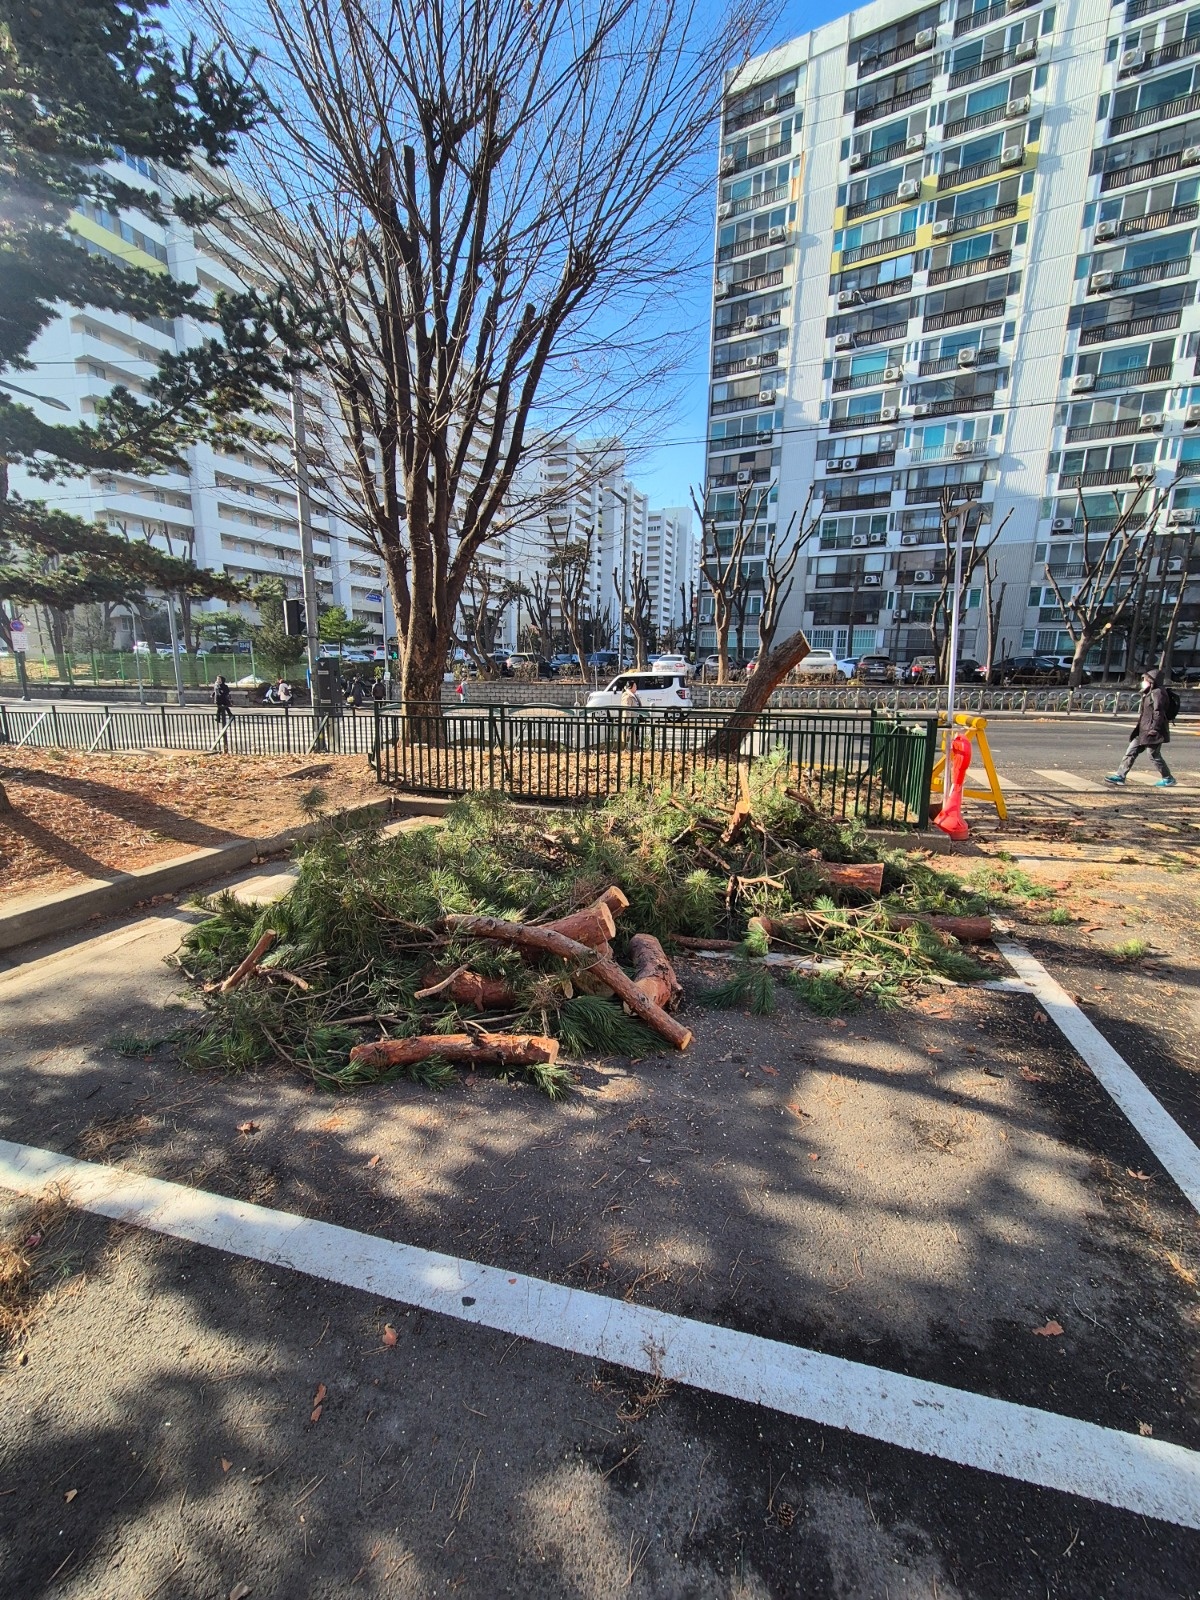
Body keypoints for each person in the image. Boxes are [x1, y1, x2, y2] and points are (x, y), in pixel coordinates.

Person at [1106, 668, 1177, 786]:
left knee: (1153, 755)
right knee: (1131, 751)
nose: (1143, 681)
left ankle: (1168, 778)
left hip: (1153, 731)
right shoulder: (1150, 691)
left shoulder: (1158, 693)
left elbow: (1158, 712)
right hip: (1143, 730)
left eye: (1145, 679)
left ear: (1152, 681)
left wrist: (1154, 729)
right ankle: (1120, 776)